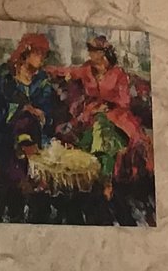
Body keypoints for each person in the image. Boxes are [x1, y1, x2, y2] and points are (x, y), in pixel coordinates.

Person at [51, 34, 149, 192]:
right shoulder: (87, 69)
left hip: (117, 116)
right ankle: (97, 179)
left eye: (93, 50)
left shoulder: (118, 74)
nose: (89, 53)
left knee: (102, 127)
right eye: (89, 49)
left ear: (102, 52)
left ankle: (105, 180)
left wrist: (107, 106)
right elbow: (68, 71)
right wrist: (46, 70)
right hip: (91, 114)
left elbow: (124, 101)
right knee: (91, 128)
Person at [0, 32, 62, 220]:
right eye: (38, 53)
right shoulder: (5, 77)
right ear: (26, 52)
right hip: (5, 139)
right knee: (6, 192)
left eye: (44, 54)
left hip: (35, 140)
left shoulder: (42, 82)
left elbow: (49, 114)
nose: (41, 58)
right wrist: (21, 109)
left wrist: (39, 115)